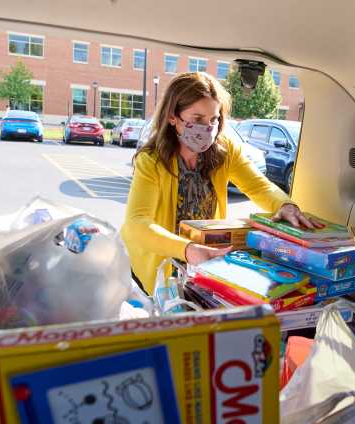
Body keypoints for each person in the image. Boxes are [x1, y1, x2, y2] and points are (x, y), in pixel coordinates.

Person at [120, 72, 321, 293]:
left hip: (206, 263)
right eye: (197, 119)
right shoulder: (151, 160)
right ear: (172, 117)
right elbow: (137, 223)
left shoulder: (224, 151)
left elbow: (258, 186)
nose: (208, 128)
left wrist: (285, 205)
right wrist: (188, 250)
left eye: (214, 119)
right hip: (159, 269)